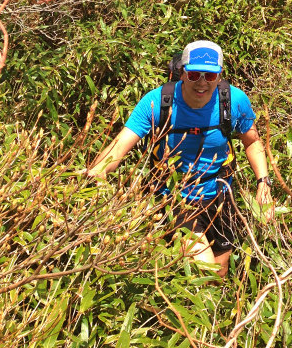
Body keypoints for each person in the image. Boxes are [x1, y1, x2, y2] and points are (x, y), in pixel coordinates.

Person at [87, 39, 274, 277]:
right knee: (206, 267)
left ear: (220, 75)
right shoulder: (157, 102)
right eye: (195, 74)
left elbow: (252, 141)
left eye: (210, 75)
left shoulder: (233, 101)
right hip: (176, 195)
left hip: (221, 193)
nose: (202, 83)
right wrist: (97, 172)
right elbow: (120, 145)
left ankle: (218, 313)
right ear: (182, 72)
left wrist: (263, 184)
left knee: (221, 269)